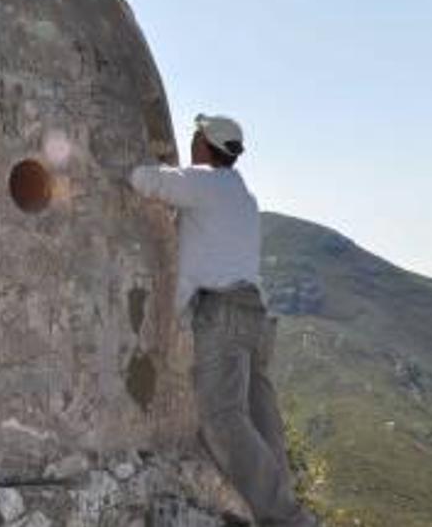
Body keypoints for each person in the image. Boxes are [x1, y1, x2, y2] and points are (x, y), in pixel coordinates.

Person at [128, 114, 317, 527]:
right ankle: (287, 508)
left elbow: (148, 181)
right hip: (256, 316)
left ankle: (286, 518)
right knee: (261, 416)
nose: (191, 142)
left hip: (225, 313)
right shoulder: (242, 195)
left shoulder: (205, 182)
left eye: (196, 136)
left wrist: (124, 165)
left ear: (204, 144)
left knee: (222, 418)